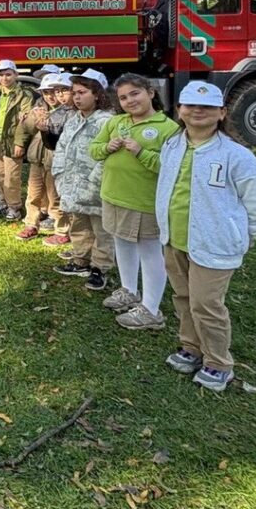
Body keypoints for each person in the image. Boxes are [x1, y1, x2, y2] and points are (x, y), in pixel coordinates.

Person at [157, 81, 256, 392]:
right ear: (179, 110)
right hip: (175, 238)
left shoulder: (237, 156)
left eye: (207, 107)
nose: (198, 111)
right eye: (190, 106)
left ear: (221, 113)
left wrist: (244, 236)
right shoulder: (172, 145)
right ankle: (191, 348)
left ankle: (218, 363)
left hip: (215, 243)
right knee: (183, 298)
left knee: (207, 304)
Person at [89, 73, 182, 330]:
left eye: (135, 93)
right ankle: (129, 289)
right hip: (113, 196)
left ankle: (151, 309)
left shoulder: (168, 128)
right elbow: (94, 149)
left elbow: (171, 168)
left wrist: (141, 152)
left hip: (144, 202)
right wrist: (107, 147)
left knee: (149, 252)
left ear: (150, 92)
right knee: (121, 242)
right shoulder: (116, 122)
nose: (130, 101)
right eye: (123, 97)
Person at [51, 69, 116, 291]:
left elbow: (109, 157)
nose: (77, 97)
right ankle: (81, 259)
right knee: (79, 224)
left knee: (102, 230)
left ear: (97, 94)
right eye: (75, 93)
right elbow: (62, 148)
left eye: (83, 92)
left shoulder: (107, 121)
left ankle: (101, 267)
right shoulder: (73, 120)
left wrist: (93, 182)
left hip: (95, 188)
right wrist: (59, 173)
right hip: (72, 186)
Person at [16, 72, 73, 241]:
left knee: (55, 196)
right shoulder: (39, 106)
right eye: (46, 92)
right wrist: (29, 118)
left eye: (54, 91)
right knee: (33, 194)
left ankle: (61, 230)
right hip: (37, 158)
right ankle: (31, 224)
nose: (50, 96)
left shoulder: (68, 111)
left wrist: (46, 124)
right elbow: (27, 129)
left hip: (55, 159)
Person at [0, 59, 36, 221]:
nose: (4, 78)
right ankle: (3, 202)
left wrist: (20, 142)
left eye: (8, 74)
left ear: (16, 74)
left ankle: (14, 207)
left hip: (12, 140)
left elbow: (26, 120)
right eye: (1, 75)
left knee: (11, 176)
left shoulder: (24, 94)